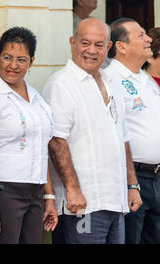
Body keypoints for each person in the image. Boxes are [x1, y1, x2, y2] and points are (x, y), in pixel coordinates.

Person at [43, 18, 142, 244]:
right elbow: (56, 142)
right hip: (82, 204)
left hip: (115, 200)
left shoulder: (111, 81)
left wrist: (132, 185)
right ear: (72, 42)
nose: (91, 51)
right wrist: (73, 189)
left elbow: (122, 138)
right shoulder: (61, 84)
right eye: (85, 43)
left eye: (99, 45)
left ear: (108, 48)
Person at [0, 27, 58, 244]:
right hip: (3, 191)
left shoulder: (37, 98)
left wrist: (48, 196)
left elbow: (41, 149)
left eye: (21, 59)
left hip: (35, 192)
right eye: (7, 57)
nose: (13, 65)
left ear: (32, 61)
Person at [105, 18, 160, 244]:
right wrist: (131, 183)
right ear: (121, 46)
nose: (148, 39)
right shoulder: (110, 79)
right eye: (140, 36)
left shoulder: (145, 79)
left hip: (156, 178)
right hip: (133, 179)